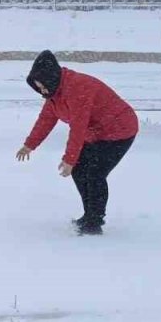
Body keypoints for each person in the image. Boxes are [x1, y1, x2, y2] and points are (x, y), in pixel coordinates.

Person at [16, 50, 137, 235]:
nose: (42, 91)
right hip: (96, 133)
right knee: (80, 170)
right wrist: (29, 144)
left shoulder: (77, 88)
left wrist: (69, 159)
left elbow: (78, 127)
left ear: (51, 79)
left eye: (43, 86)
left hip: (119, 130)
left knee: (95, 174)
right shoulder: (54, 93)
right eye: (39, 87)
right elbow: (46, 120)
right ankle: (89, 215)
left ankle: (94, 223)